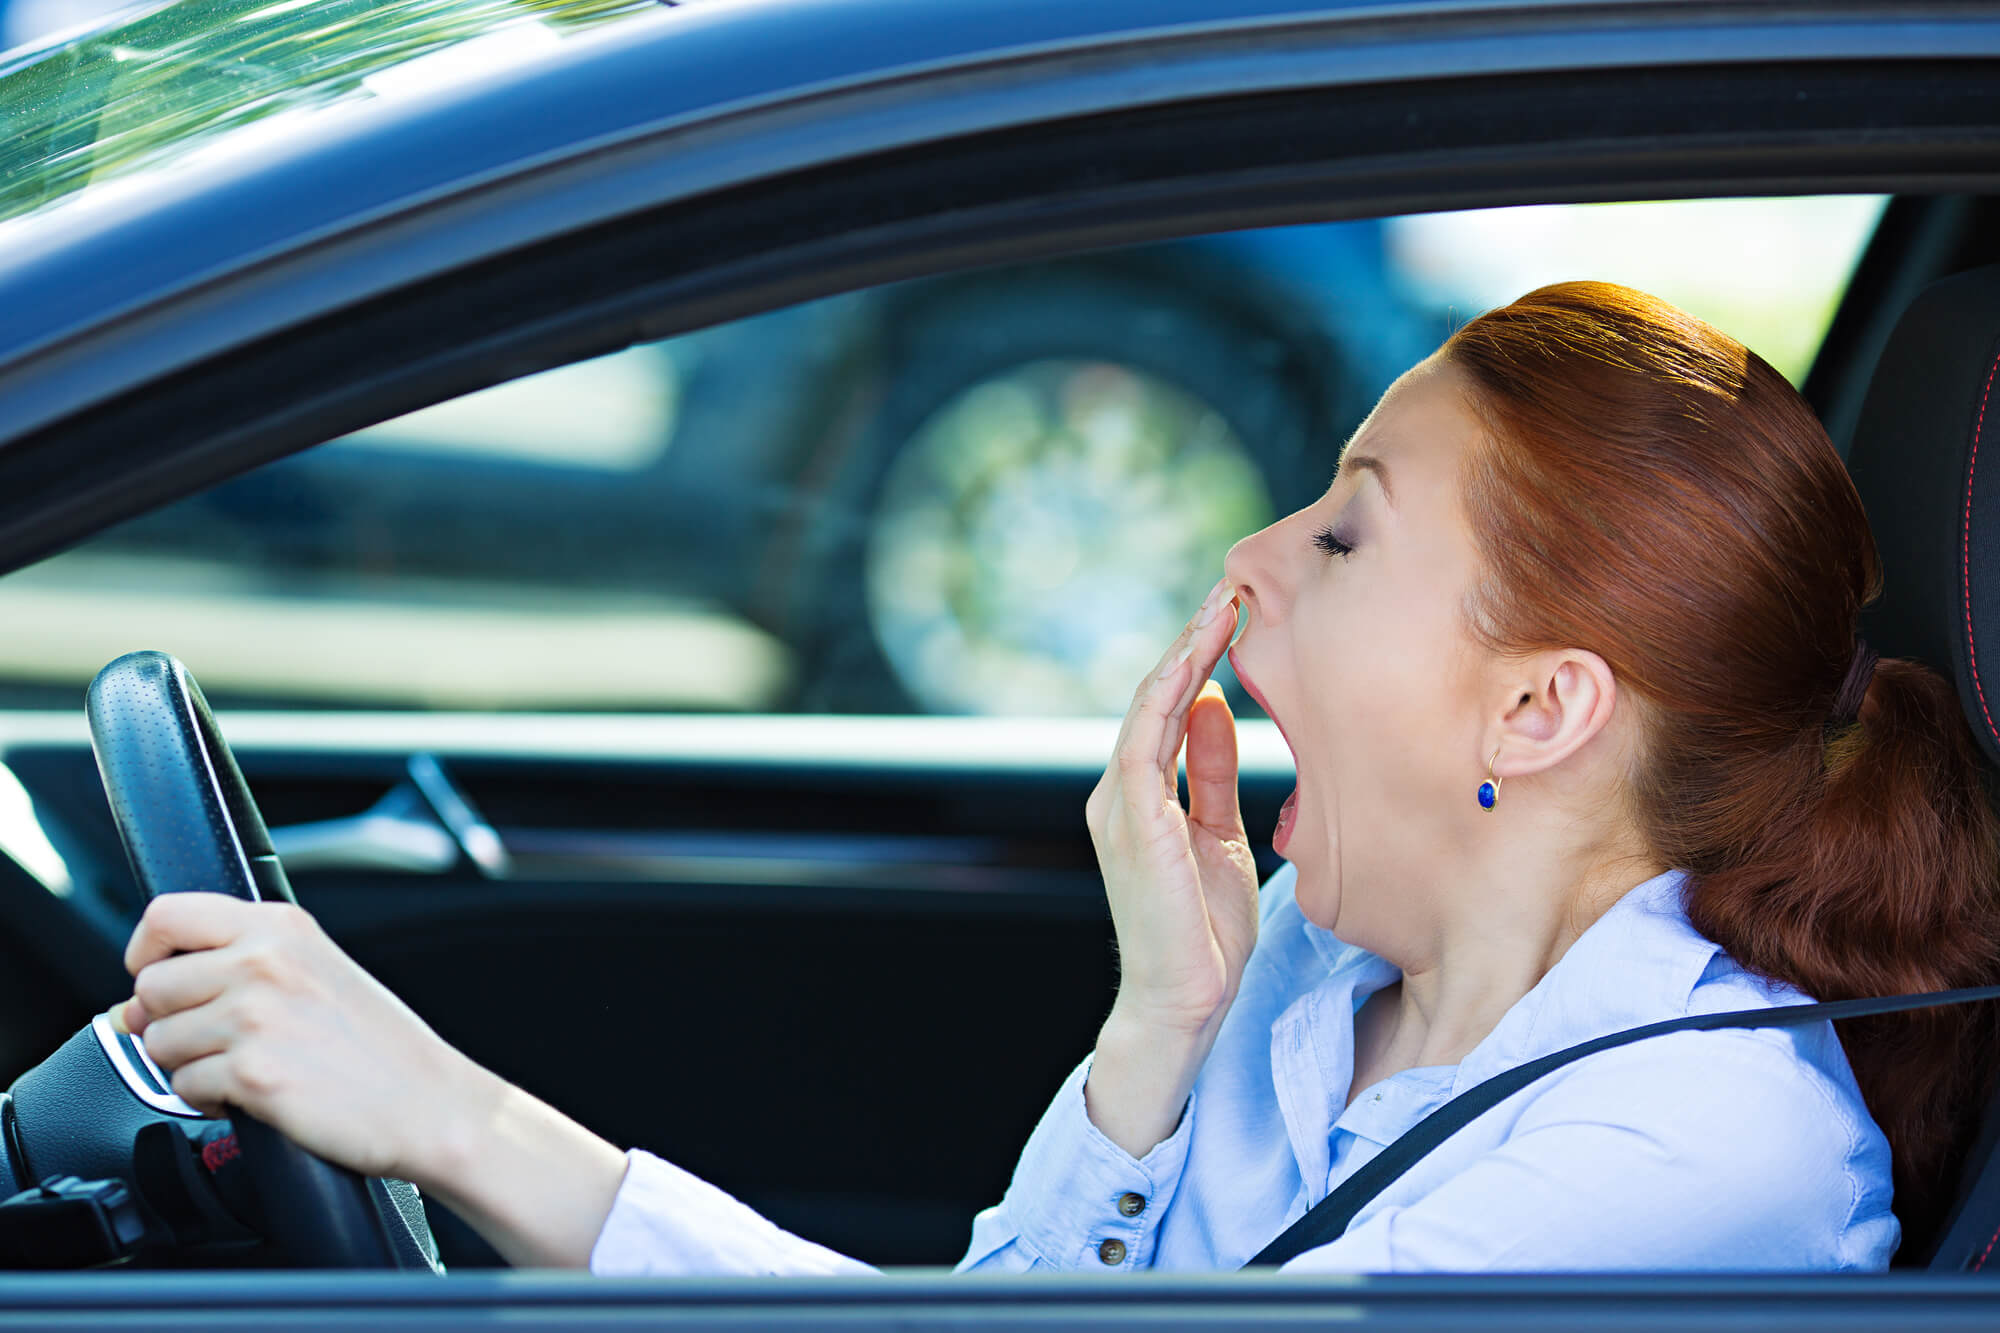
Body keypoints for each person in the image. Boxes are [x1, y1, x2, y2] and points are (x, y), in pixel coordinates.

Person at [110, 281, 2000, 1274]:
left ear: (1539, 711)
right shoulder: (1324, 981)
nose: (1242, 560)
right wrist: (1160, 1023)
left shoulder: (1686, 1161)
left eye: (1345, 536)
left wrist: (452, 1117)